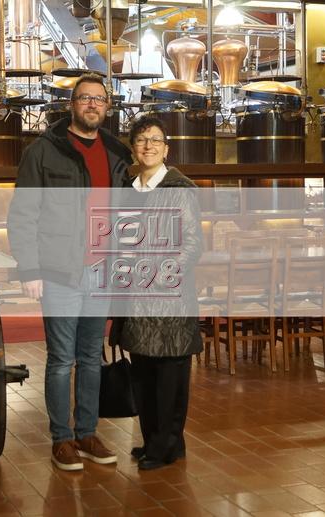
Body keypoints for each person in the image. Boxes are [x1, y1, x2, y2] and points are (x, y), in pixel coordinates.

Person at [8, 73, 131, 471]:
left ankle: (87, 433)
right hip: (59, 271)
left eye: (99, 99)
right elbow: (23, 215)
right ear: (72, 104)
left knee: (91, 358)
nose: (92, 104)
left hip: (100, 269)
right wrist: (30, 268)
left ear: (107, 107)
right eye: (84, 98)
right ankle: (62, 439)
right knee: (62, 360)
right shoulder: (44, 151)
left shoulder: (116, 153)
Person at [112, 116, 203, 471]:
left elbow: (192, 244)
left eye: (155, 140)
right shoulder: (127, 188)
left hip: (168, 297)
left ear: (166, 149)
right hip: (134, 298)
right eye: (141, 140)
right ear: (133, 148)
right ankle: (157, 441)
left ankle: (164, 446)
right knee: (143, 374)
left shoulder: (179, 188)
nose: (148, 145)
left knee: (169, 377)